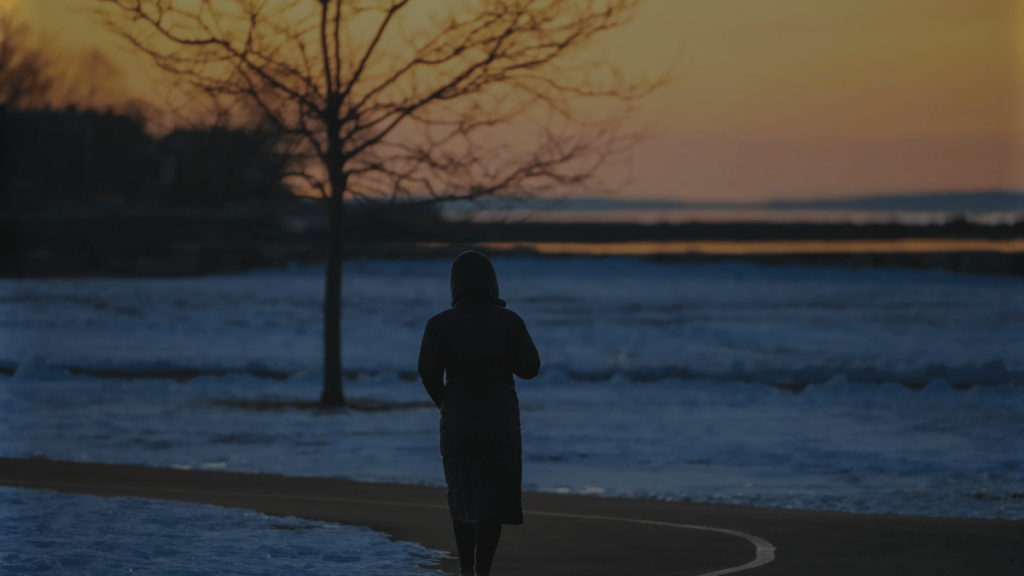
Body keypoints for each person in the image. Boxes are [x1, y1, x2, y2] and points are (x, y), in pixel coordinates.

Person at [418, 250, 541, 576]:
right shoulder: (509, 320)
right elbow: (530, 367)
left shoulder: (439, 324)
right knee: (492, 501)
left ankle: (466, 569)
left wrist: (444, 402)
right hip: (499, 422)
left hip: (457, 421)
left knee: (462, 495)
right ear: (492, 282)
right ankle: (483, 572)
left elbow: (428, 372)